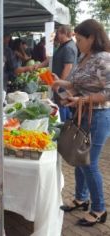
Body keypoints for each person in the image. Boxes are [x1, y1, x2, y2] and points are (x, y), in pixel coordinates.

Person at [54, 19, 110, 227]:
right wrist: (62, 85)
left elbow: (108, 91)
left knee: (89, 163)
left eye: (79, 39)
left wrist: (83, 100)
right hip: (81, 114)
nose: (76, 42)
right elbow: (78, 83)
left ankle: (99, 209)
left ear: (92, 38)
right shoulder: (86, 56)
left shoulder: (103, 58)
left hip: (96, 117)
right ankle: (81, 198)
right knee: (79, 158)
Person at [52, 25, 78, 121]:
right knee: (64, 104)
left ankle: (63, 124)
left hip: (63, 83)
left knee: (61, 103)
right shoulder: (64, 45)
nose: (57, 35)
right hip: (63, 82)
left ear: (64, 33)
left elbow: (68, 67)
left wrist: (59, 83)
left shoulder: (68, 47)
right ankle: (66, 122)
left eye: (58, 33)